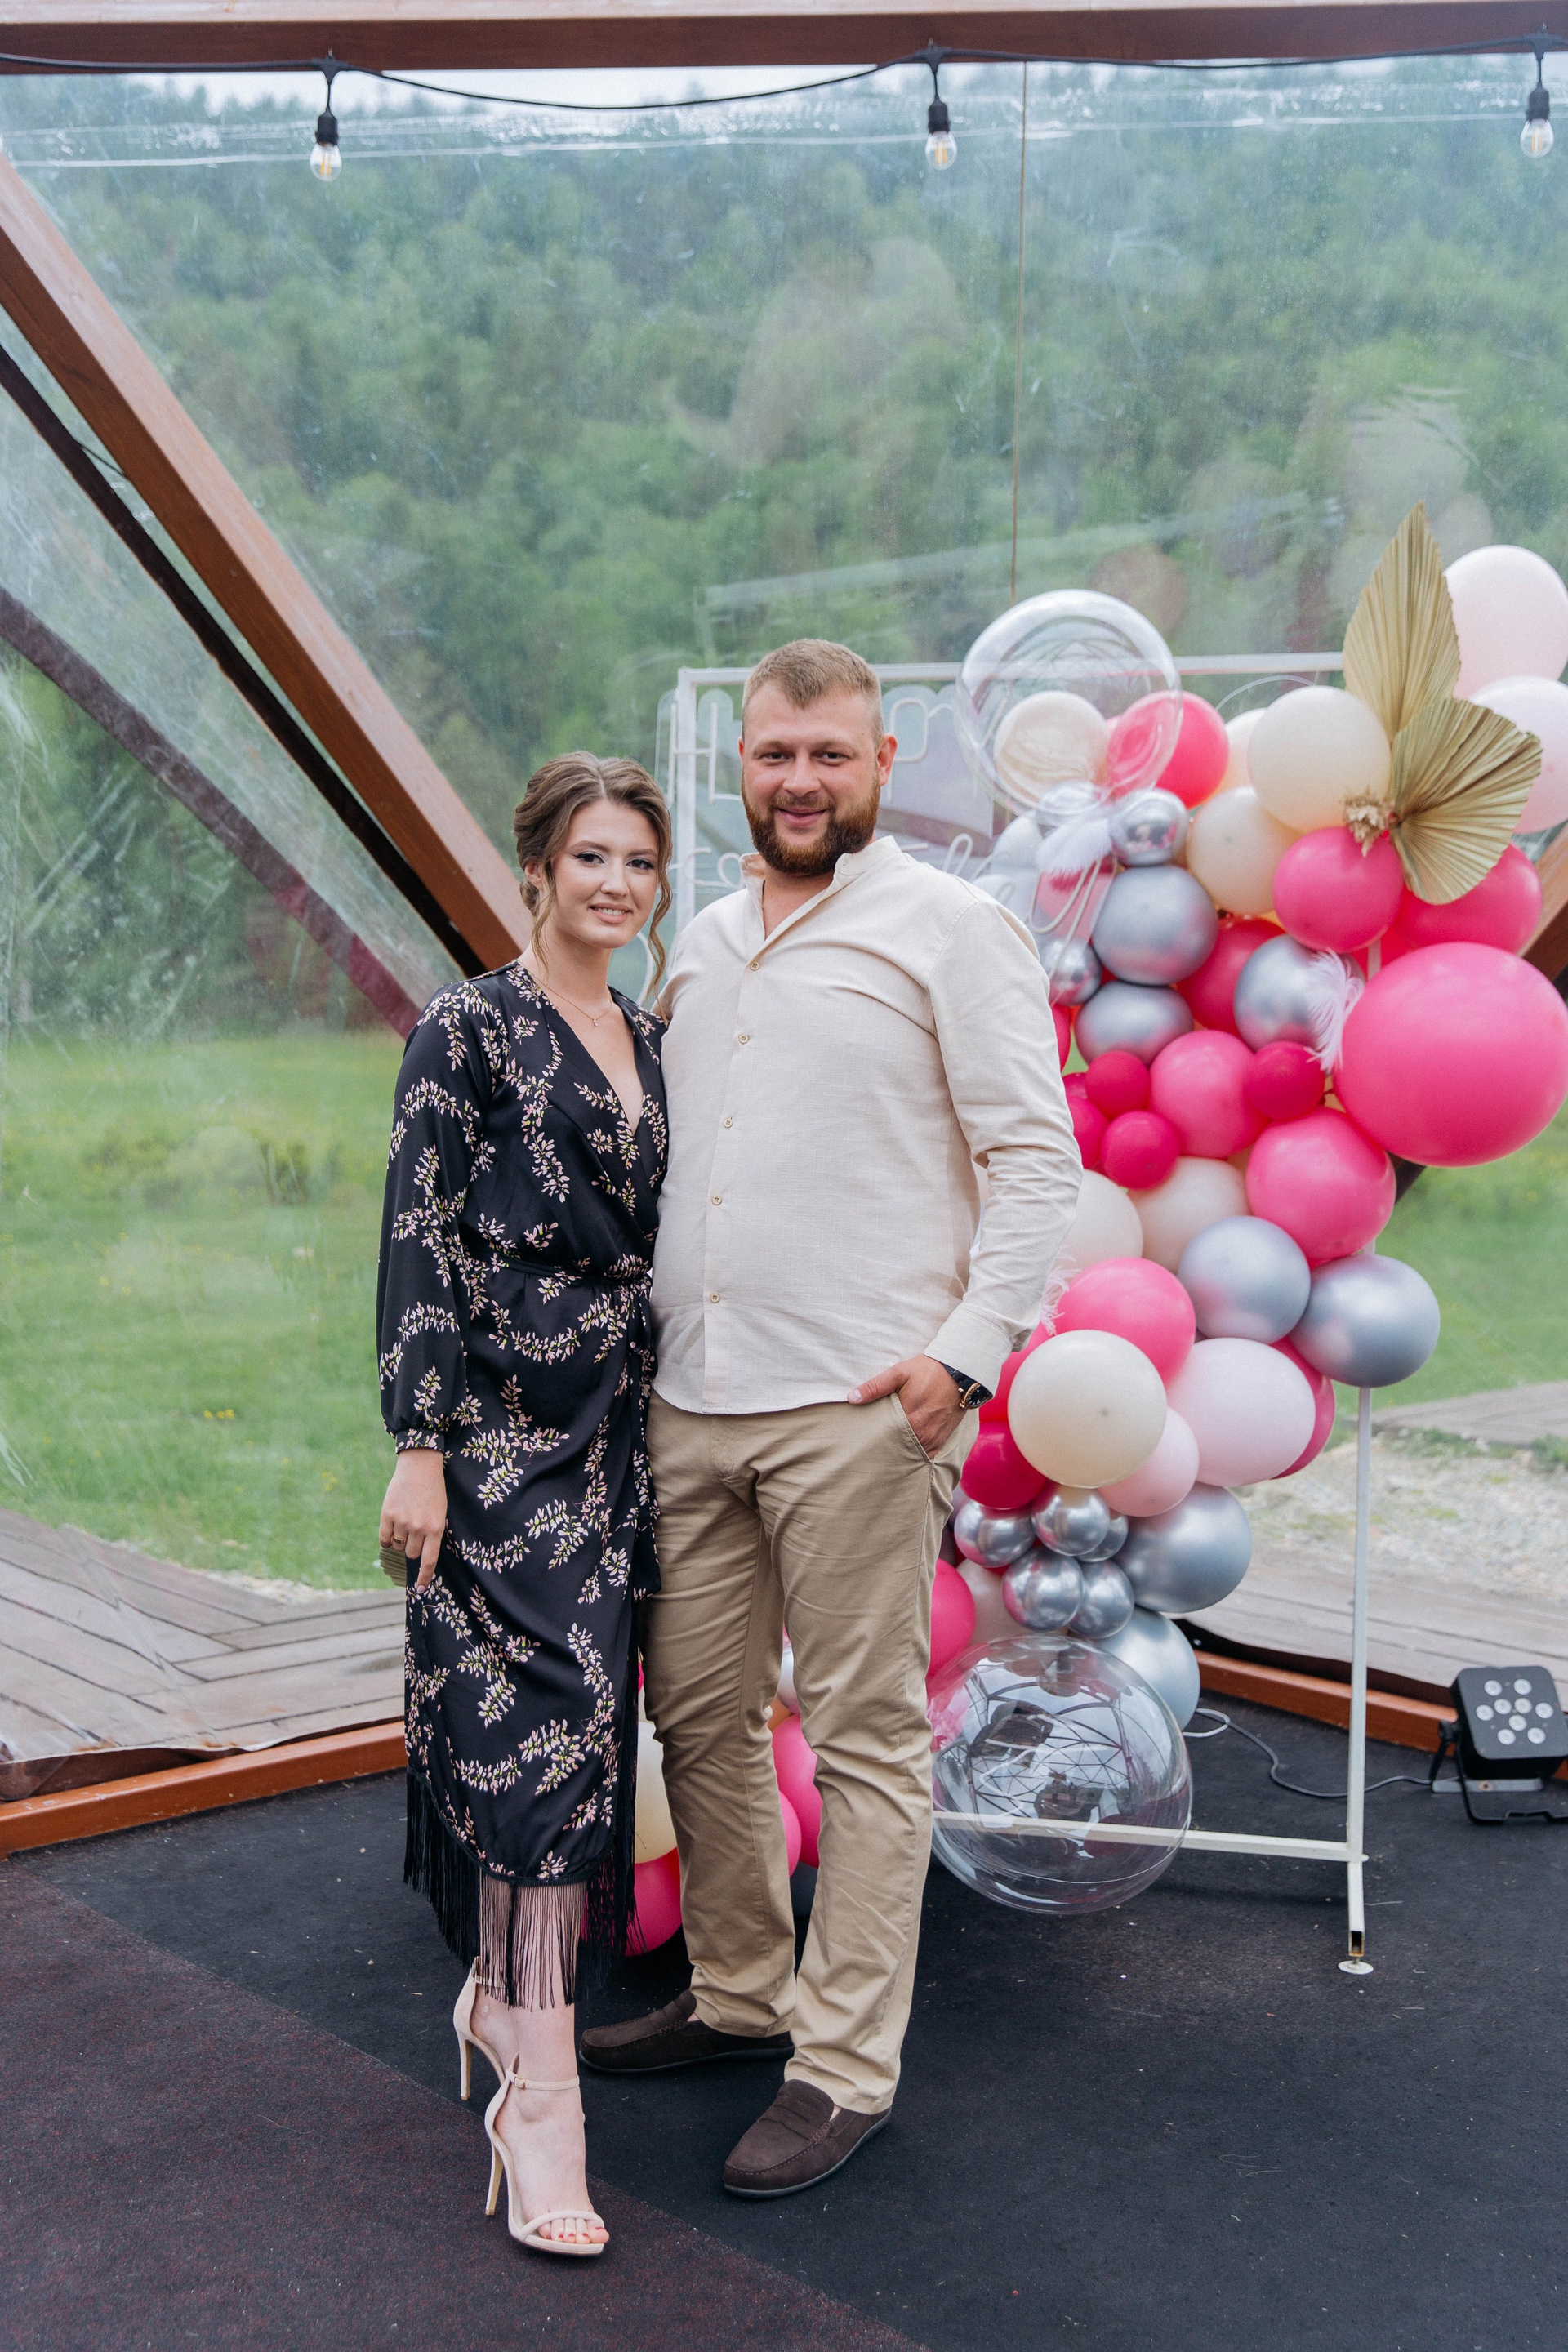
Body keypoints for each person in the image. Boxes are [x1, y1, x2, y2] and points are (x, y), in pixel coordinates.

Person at [581, 639, 1080, 2197]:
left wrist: (964, 1359)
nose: (800, 782)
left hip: (860, 1409)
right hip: (690, 1399)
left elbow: (1037, 1162)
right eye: (775, 754)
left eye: (830, 755)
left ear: (882, 764)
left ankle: (845, 2065)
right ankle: (741, 1991)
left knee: (865, 1744)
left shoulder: (955, 929)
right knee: (699, 1717)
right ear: (742, 762)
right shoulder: (703, 940)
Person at [377, 752, 670, 2258]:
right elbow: (419, 1232)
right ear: (537, 871)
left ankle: (507, 2000)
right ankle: (542, 2105)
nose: (616, 884)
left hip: (617, 1428)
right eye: (592, 857)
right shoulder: (467, 1029)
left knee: (584, 1731)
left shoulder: (651, 1036)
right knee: (539, 1734)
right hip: (496, 1433)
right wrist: (419, 1439)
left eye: (640, 862)